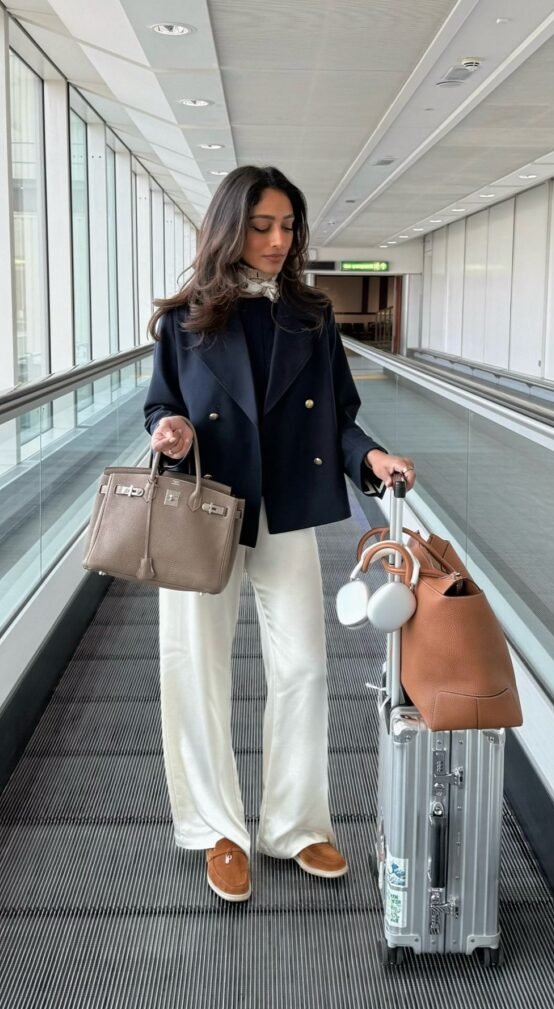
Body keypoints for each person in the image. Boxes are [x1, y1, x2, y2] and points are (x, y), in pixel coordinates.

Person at [143, 166, 415, 903]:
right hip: (204, 506)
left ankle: (294, 825)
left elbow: (339, 415)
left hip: (285, 507)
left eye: (287, 226)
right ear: (231, 227)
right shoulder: (186, 319)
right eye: (261, 226)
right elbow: (162, 406)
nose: (276, 240)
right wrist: (167, 431)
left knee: (303, 669)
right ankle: (217, 830)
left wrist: (370, 457)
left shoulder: (311, 315)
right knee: (196, 670)